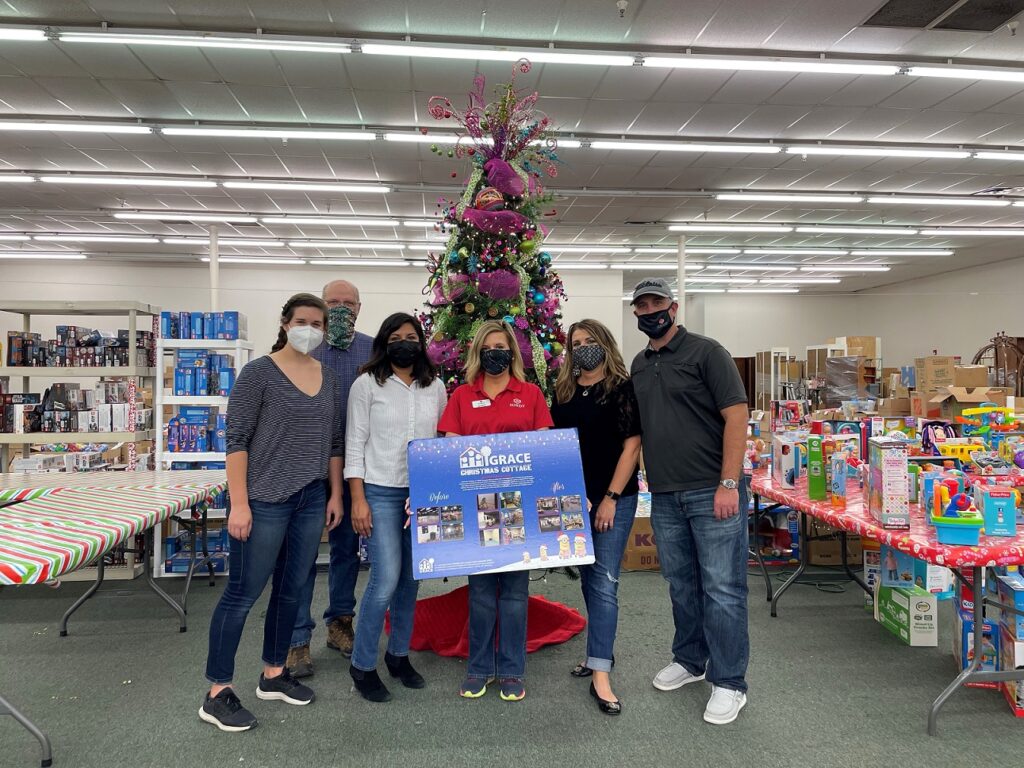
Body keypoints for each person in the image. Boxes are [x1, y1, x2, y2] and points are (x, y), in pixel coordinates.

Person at [201, 293, 344, 732]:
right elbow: (237, 441)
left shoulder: (330, 376)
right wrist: (239, 503)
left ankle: (274, 673)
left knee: (291, 589)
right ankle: (217, 692)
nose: (310, 329)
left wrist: (335, 495)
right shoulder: (258, 373)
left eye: (318, 323)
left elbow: (334, 445)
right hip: (263, 500)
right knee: (242, 594)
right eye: (303, 321)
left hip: (309, 499)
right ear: (285, 323)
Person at [629, 277, 751, 726]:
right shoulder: (640, 365)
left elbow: (736, 417)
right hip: (663, 495)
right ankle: (690, 660)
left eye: (656, 302)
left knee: (722, 589)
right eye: (641, 305)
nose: (649, 310)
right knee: (681, 584)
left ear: (673, 307)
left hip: (711, 490)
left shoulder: (707, 352)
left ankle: (730, 682)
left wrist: (728, 482)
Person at [436, 320, 553, 702]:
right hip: (476, 509)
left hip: (519, 511)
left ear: (512, 353)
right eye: (488, 347)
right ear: (477, 354)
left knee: (515, 595)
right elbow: (451, 453)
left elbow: (542, 451)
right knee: (481, 594)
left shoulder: (531, 394)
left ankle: (512, 670)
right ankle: (480, 667)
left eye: (502, 346)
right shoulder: (461, 397)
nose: (495, 353)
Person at [344, 313, 448, 702]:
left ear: (421, 343)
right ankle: (362, 664)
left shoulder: (434, 386)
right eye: (396, 337)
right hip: (380, 492)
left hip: (422, 495)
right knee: (385, 579)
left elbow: (440, 441)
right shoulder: (366, 385)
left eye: (412, 337)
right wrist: (358, 498)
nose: (405, 343)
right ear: (384, 343)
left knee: (411, 579)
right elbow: (355, 443)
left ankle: (398, 656)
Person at [550, 319, 641, 716]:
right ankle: (596, 654)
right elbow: (555, 446)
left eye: (590, 341)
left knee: (604, 583)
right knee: (588, 578)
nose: (583, 348)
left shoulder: (623, 388)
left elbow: (632, 446)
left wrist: (609, 498)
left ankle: (601, 674)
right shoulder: (564, 391)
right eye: (576, 343)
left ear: (604, 345)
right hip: (574, 503)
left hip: (612, 501)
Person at [287, 280, 373, 678]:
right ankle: (296, 640)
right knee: (300, 557)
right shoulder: (303, 348)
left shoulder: (373, 350)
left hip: (354, 469)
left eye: (347, 303)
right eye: (332, 302)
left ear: (359, 307)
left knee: (345, 551)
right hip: (305, 468)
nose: (340, 308)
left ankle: (341, 623)